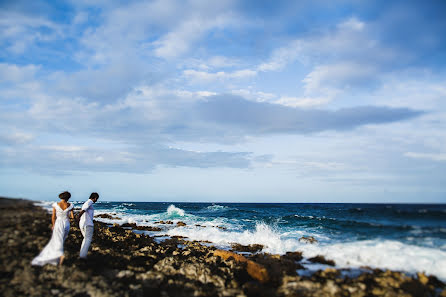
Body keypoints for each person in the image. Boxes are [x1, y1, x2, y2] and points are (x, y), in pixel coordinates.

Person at [32, 191, 74, 266]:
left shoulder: (55, 205)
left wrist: (53, 225)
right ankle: (58, 257)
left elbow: (53, 217)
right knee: (62, 241)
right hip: (66, 224)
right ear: (68, 197)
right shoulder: (71, 205)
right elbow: (72, 216)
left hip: (58, 223)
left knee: (57, 241)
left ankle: (60, 256)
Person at [77, 192, 99, 259]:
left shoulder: (87, 202)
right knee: (88, 239)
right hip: (87, 224)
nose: (96, 200)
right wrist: (78, 217)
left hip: (83, 223)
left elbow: (83, 210)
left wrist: (79, 218)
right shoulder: (89, 202)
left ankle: (82, 254)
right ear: (94, 198)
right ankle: (82, 256)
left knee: (85, 239)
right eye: (96, 199)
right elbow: (83, 210)